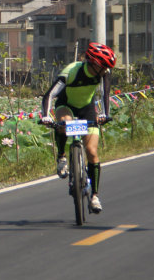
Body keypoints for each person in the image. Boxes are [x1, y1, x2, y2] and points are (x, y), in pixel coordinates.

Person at [39, 42, 115, 214]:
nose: (105, 70)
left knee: (92, 151)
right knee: (64, 124)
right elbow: (49, 95)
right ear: (94, 64)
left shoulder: (104, 73)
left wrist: (105, 114)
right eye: (103, 67)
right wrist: (45, 116)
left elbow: (105, 95)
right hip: (66, 105)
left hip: (87, 109)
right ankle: (61, 157)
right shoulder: (72, 71)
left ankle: (94, 196)